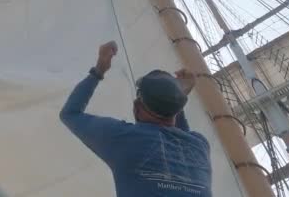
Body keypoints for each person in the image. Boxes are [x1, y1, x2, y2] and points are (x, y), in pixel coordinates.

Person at [60, 41, 212, 196]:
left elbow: (70, 113)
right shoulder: (200, 145)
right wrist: (178, 95)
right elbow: (180, 137)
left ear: (137, 106)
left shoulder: (123, 138)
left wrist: (99, 70)